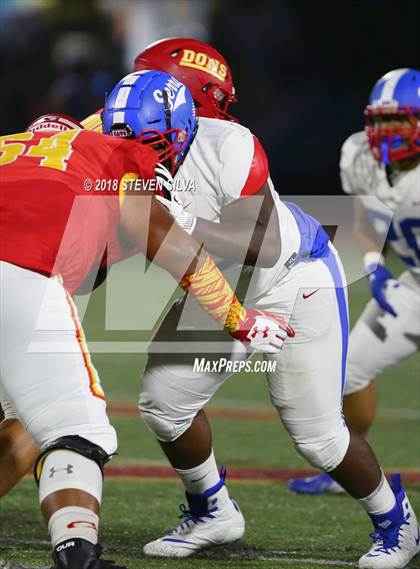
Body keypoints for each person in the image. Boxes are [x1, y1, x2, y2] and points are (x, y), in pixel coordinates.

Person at [103, 43, 419, 569]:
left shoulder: (229, 143)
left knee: (318, 437)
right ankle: (212, 511)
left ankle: (397, 523)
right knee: (163, 403)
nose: (138, 146)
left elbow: (265, 242)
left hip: (293, 277)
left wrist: (178, 223)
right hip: (219, 282)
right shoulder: (119, 141)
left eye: (154, 134)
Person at [0, 77, 291, 569]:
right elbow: (174, 249)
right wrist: (239, 318)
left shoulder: (13, 147)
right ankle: (78, 557)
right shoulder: (117, 159)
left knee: (24, 420)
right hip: (20, 276)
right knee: (78, 430)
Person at [288, 68, 420, 498]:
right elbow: (367, 216)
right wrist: (372, 260)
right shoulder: (359, 154)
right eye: (379, 120)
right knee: (345, 371)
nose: (385, 132)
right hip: (413, 288)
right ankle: (345, 465)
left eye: (398, 120)